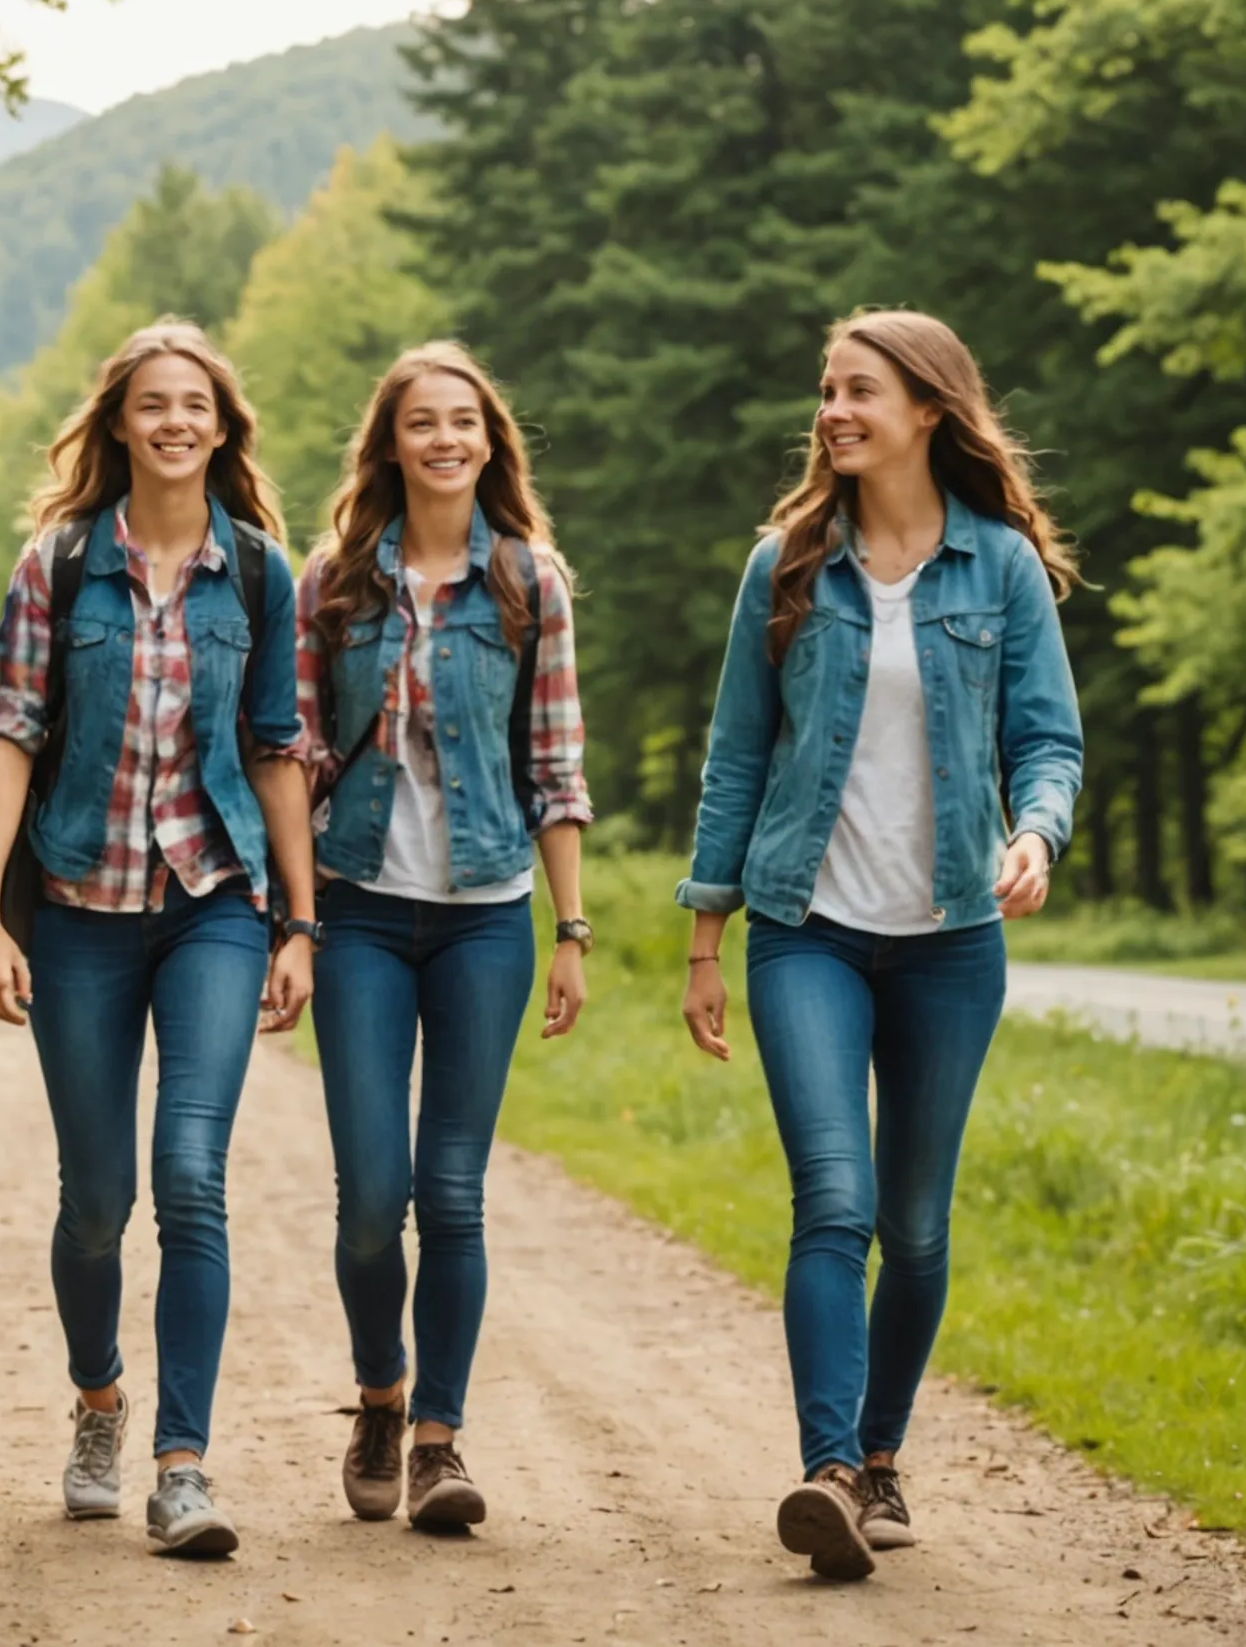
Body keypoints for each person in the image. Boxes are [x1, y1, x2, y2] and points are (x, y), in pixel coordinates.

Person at [675, 309, 1083, 1581]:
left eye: (860, 391)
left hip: (953, 938)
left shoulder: (1001, 568)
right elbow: (738, 754)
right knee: (833, 1203)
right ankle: (830, 1470)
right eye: (827, 391)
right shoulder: (788, 564)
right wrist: (705, 936)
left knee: (915, 1224)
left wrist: (1039, 833)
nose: (834, 411)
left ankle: (886, 1455)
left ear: (927, 409)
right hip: (807, 932)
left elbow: (1049, 741)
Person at [0, 319, 317, 1560]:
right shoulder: (57, 566)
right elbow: (10, 732)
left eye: (196, 406)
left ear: (222, 429)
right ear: (119, 423)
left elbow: (277, 749)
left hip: (212, 906)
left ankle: (183, 1463)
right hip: (76, 910)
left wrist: (298, 921)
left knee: (190, 1180)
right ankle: (100, 1403)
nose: (175, 421)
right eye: (152, 404)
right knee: (94, 1201)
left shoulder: (262, 576)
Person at [292, 343, 593, 1533]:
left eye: (465, 421)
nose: (446, 440)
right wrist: (295, 921)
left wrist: (571, 929)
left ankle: (439, 1443)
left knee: (452, 1193)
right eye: (423, 422)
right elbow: (298, 755)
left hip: (484, 918)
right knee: (373, 1194)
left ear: (489, 440)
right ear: (391, 444)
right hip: (359, 904)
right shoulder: (334, 584)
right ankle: (379, 1393)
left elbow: (557, 768)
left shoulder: (529, 583)